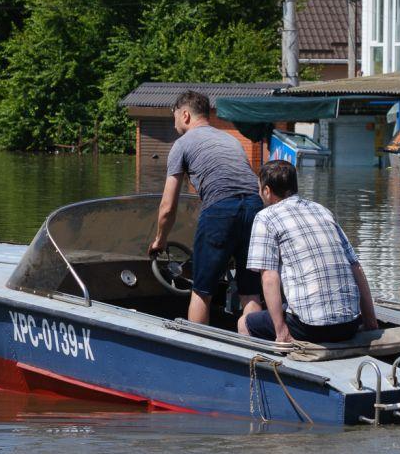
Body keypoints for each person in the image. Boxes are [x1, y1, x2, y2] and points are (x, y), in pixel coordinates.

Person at [149, 90, 264, 325]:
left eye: (174, 117)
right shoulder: (230, 139)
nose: (174, 123)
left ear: (185, 115)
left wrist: (160, 240)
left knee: (202, 290)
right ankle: (257, 349)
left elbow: (167, 206)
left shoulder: (182, 145)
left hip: (220, 208)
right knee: (250, 290)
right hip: (256, 208)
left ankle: (196, 349)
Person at [239, 159, 378, 344]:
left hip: (310, 328)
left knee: (245, 323)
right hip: (350, 324)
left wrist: (281, 332)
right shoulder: (322, 210)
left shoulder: (266, 217)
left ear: (266, 191)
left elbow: (269, 278)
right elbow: (356, 267)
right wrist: (370, 321)